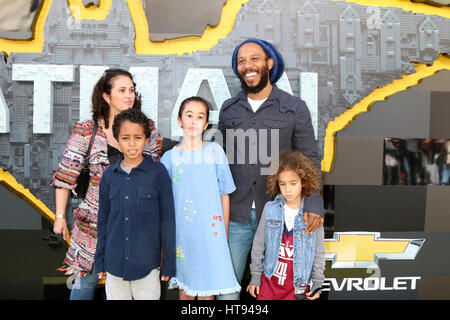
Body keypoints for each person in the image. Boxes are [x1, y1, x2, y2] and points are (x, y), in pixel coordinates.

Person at [217, 38, 325, 299]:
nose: (247, 65)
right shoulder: (229, 109)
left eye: (254, 58)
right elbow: (215, 156)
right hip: (237, 214)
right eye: (241, 61)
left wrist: (314, 202)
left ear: (269, 63)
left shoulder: (294, 108)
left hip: (282, 214)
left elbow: (309, 158)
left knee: (280, 289)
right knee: (227, 290)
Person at [51, 69, 162, 300]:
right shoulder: (88, 130)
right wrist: (60, 216)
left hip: (138, 225)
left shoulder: (147, 129)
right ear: (106, 96)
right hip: (94, 226)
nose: (129, 95)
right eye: (122, 90)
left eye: (131, 90)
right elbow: (65, 175)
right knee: (84, 286)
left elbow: (154, 174)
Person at [161, 96, 240, 300]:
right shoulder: (169, 158)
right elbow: (164, 201)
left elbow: (225, 194)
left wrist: (221, 232)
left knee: (208, 290)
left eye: (200, 116)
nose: (194, 120)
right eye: (189, 115)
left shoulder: (215, 152)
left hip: (210, 235)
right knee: (185, 289)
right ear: (179, 120)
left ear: (206, 124)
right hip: (182, 235)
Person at [94, 109, 176, 300]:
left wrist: (168, 263)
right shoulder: (108, 176)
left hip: (147, 265)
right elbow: (103, 222)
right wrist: (100, 261)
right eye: (125, 137)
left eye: (138, 137)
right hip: (114, 266)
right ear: (117, 140)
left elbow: (168, 221)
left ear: (146, 139)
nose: (132, 143)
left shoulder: (158, 173)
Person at [246, 150, 325, 300]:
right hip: (269, 284)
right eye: (282, 184)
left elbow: (318, 252)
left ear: (304, 182)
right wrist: (256, 276)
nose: (287, 189)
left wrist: (318, 283)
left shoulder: (312, 215)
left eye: (293, 183)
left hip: (297, 288)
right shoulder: (270, 209)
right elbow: (258, 245)